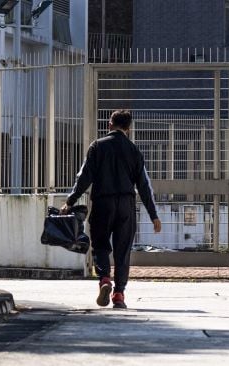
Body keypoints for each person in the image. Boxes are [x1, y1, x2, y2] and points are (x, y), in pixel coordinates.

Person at [61, 110, 161, 309]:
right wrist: (153, 215)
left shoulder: (97, 146)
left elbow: (84, 177)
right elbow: (144, 186)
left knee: (100, 244)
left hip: (102, 203)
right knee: (122, 251)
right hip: (126, 205)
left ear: (110, 124)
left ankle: (105, 279)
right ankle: (119, 295)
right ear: (128, 129)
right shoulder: (134, 151)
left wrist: (70, 201)